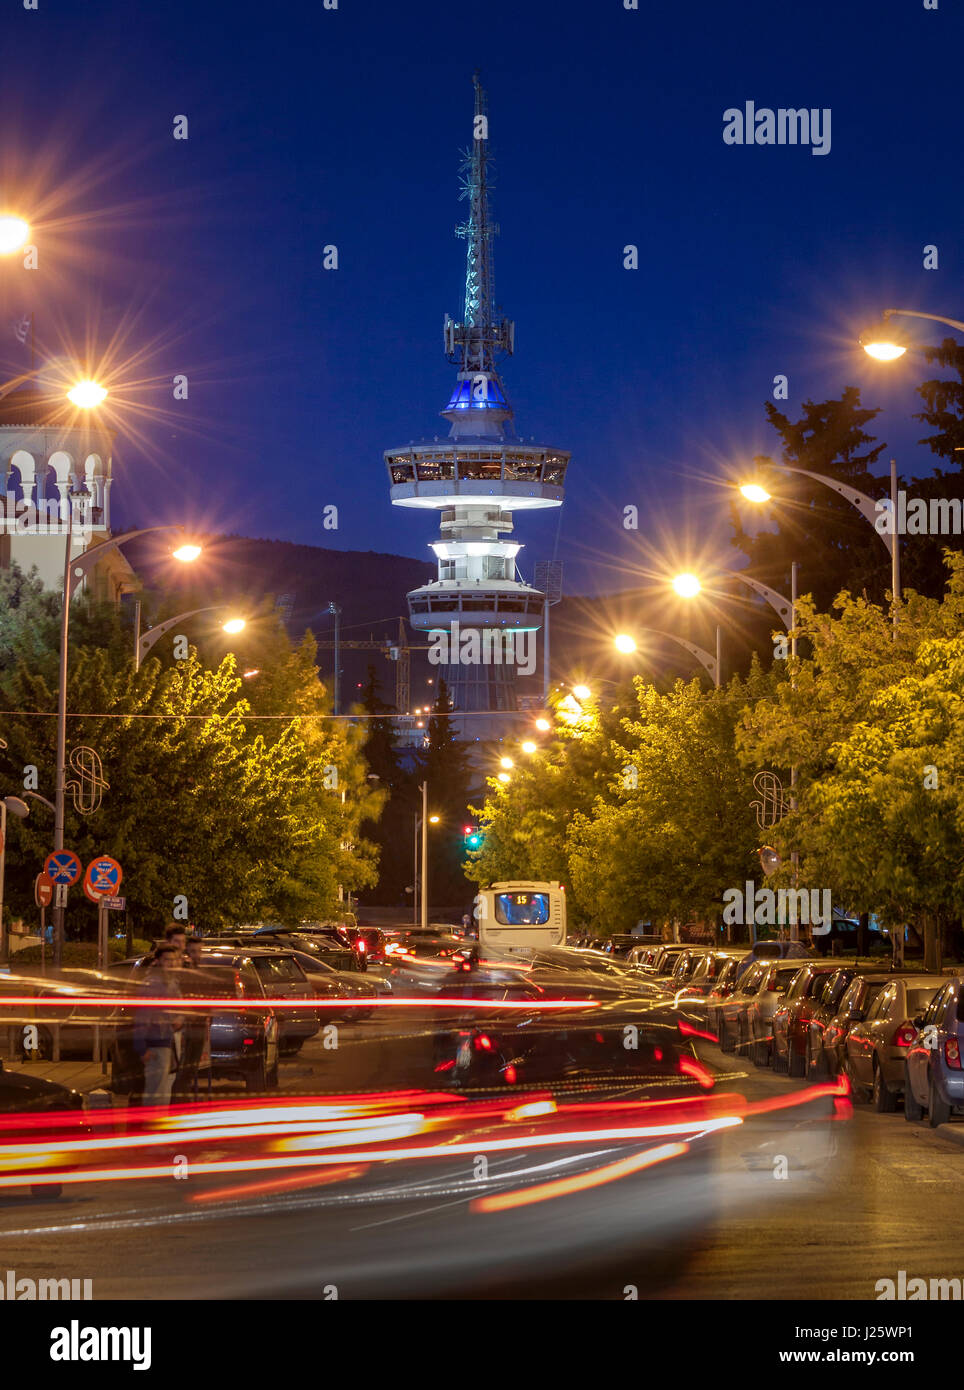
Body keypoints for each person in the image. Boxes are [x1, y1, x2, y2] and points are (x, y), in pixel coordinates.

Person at [134, 944, 183, 1108]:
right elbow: (142, 1016)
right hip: (155, 1043)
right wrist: (141, 1047)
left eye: (173, 960)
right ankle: (152, 1127)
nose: (171, 964)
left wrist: (179, 1017)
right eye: (166, 960)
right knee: (156, 1093)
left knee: (162, 1092)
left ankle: (157, 1125)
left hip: (166, 1041)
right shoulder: (154, 985)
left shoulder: (170, 983)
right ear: (158, 961)